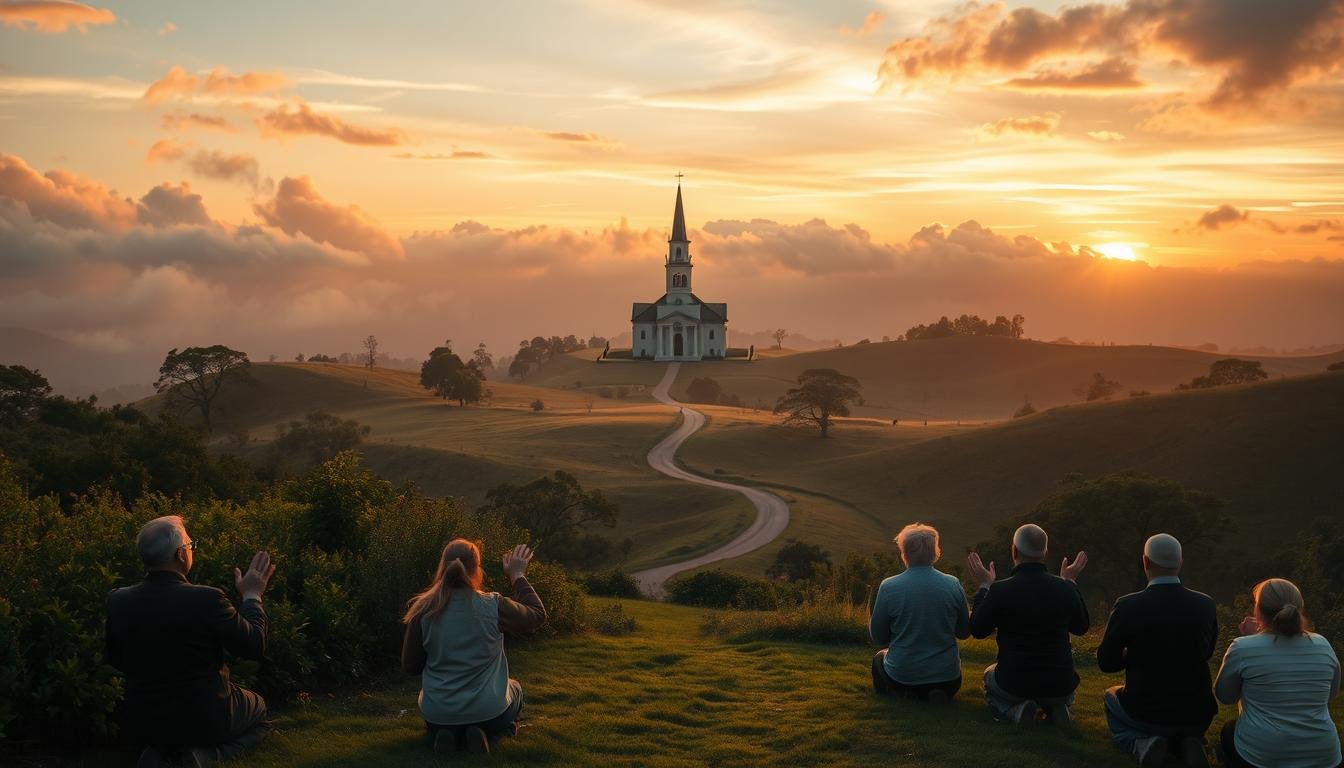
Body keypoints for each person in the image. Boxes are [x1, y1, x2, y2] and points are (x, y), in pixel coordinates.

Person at [105, 516, 276, 768]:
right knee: (260, 711)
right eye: (190, 545)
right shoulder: (207, 599)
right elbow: (254, 646)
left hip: (143, 720)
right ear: (181, 554)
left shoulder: (117, 600)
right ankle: (202, 756)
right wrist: (252, 596)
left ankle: (159, 751)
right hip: (203, 717)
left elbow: (115, 659)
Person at [402, 540, 547, 754]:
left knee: (444, 721)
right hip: (489, 712)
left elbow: (411, 667)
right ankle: (497, 732)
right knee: (515, 688)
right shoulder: (493, 605)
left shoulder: (423, 610)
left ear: (442, 566)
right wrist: (517, 574)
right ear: (477, 569)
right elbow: (537, 615)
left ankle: (446, 734)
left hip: (438, 714)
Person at [1096, 534, 1217, 767]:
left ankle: (1139, 744)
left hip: (1146, 712)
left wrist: (1131, 655)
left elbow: (1106, 662)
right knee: (1183, 726)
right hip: (1197, 714)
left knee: (1111, 696)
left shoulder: (1128, 605)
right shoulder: (1206, 604)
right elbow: (1207, 652)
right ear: (1180, 563)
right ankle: (1190, 742)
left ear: (1145, 562)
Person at [966, 523, 1089, 725]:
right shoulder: (1064, 588)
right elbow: (1081, 627)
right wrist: (1070, 582)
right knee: (1058, 691)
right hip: (1060, 683)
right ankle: (1059, 707)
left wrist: (984, 586)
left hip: (1014, 683)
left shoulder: (1000, 590)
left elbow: (978, 630)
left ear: (1014, 551)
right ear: (1045, 553)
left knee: (989, 675)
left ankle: (1015, 711)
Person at [1214, 578, 1342, 768]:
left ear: (1258, 610)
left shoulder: (1243, 647)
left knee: (1228, 731)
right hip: (1324, 756)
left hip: (1263, 756)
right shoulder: (1323, 644)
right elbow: (1331, 694)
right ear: (1300, 608)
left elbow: (1225, 696)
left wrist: (1252, 641)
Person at [868, 523, 970, 703]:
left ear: (904, 553)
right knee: (939, 681)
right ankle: (935, 691)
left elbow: (878, 637)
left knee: (879, 658)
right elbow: (963, 632)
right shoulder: (953, 584)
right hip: (949, 678)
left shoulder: (889, 586)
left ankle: (899, 693)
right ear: (935, 552)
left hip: (903, 676)